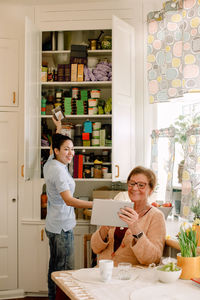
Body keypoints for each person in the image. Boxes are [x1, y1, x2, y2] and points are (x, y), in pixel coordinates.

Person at [44, 117, 92, 300]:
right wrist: (97, 205)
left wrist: (58, 128)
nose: (71, 153)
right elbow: (69, 201)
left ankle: (52, 298)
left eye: (72, 149)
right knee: (64, 272)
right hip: (62, 228)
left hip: (53, 225)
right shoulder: (58, 171)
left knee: (54, 269)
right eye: (66, 149)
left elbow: (54, 144)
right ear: (57, 151)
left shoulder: (50, 162)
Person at [91, 166, 166, 267]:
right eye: (132, 183)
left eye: (141, 185)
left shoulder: (156, 216)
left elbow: (153, 259)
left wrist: (135, 228)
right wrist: (105, 228)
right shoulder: (119, 208)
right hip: (103, 273)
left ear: (151, 190)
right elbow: (95, 248)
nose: (135, 188)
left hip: (129, 277)